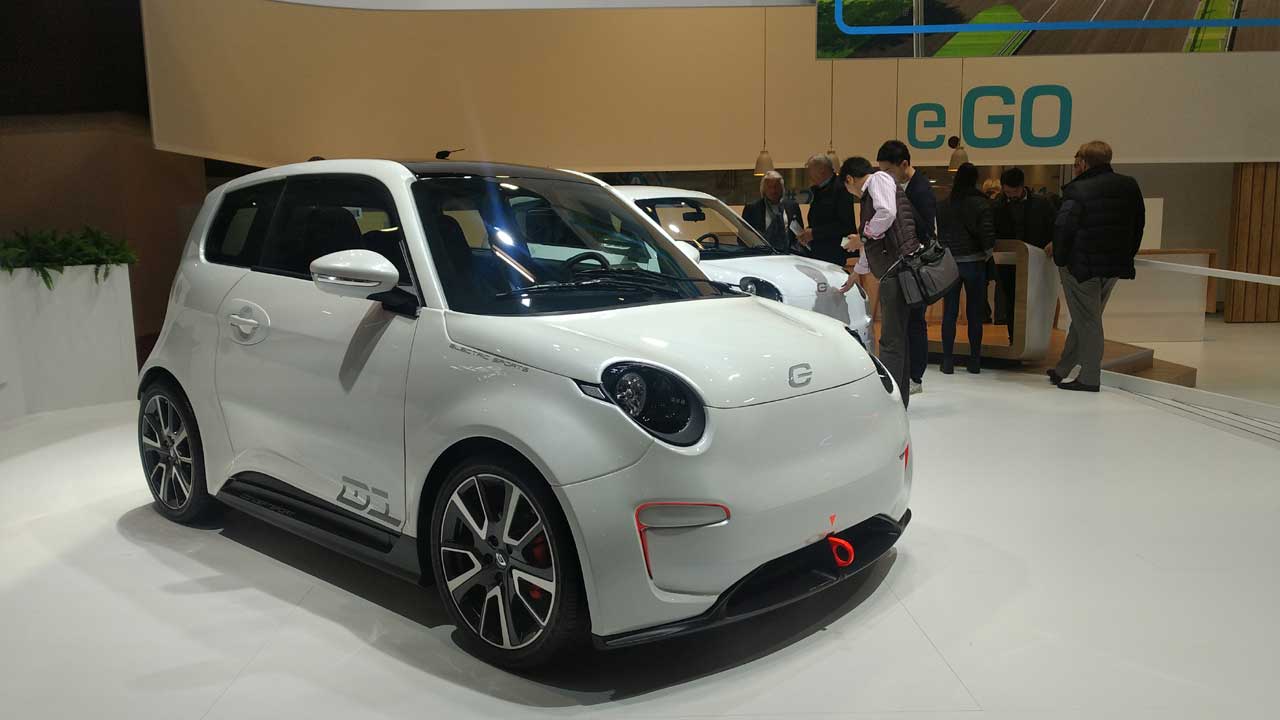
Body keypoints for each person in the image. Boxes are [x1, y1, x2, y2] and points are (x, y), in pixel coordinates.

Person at [1049, 141, 1145, 393]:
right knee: (1086, 318)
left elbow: (1063, 227)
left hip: (1081, 266)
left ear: (1082, 162)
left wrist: (1061, 259)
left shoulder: (1077, 189)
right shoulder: (1129, 185)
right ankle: (1063, 368)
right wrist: (1127, 254)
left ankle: (1090, 377)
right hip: (1113, 265)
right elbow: (1138, 224)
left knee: (1088, 321)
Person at [838, 157, 921, 408]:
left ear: (849, 179)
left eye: (847, 187)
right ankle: (899, 400)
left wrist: (862, 237)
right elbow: (875, 241)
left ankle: (890, 403)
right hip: (895, 271)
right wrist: (856, 274)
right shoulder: (873, 191)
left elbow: (887, 213)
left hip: (897, 271)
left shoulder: (878, 180)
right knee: (897, 338)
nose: (850, 193)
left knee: (891, 341)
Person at [877, 140, 935, 396]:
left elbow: (925, 229)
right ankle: (908, 374)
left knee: (915, 321)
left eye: (888, 171)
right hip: (904, 265)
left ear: (904, 164)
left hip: (916, 265)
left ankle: (915, 376)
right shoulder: (903, 187)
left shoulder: (920, 189)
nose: (885, 177)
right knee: (907, 321)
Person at [937, 163, 996, 374]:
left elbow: (940, 235)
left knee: (949, 313)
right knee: (974, 313)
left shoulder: (944, 204)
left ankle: (947, 361)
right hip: (974, 262)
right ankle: (975, 361)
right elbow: (987, 235)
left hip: (950, 263)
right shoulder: (982, 204)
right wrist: (987, 253)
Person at [992, 167, 1059, 341]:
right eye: (1007, 192)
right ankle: (1014, 339)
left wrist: (1053, 242)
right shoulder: (997, 205)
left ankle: (1034, 339)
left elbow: (1056, 226)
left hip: (1036, 260)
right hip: (1008, 262)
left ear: (1023, 186)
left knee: (1035, 301)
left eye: (1014, 192)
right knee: (1011, 301)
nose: (1011, 196)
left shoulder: (1042, 204)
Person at [797, 154, 856, 267]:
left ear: (822, 170)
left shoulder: (841, 188)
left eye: (810, 170)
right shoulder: (819, 189)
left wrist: (814, 233)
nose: (809, 175)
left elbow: (845, 225)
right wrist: (808, 232)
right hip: (819, 252)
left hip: (834, 254)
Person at [742, 170, 803, 253]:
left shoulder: (793, 207)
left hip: (788, 254)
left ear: (782, 188)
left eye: (776, 187)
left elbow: (800, 235)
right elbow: (742, 238)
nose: (773, 191)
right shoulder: (752, 209)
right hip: (762, 254)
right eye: (769, 187)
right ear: (763, 189)